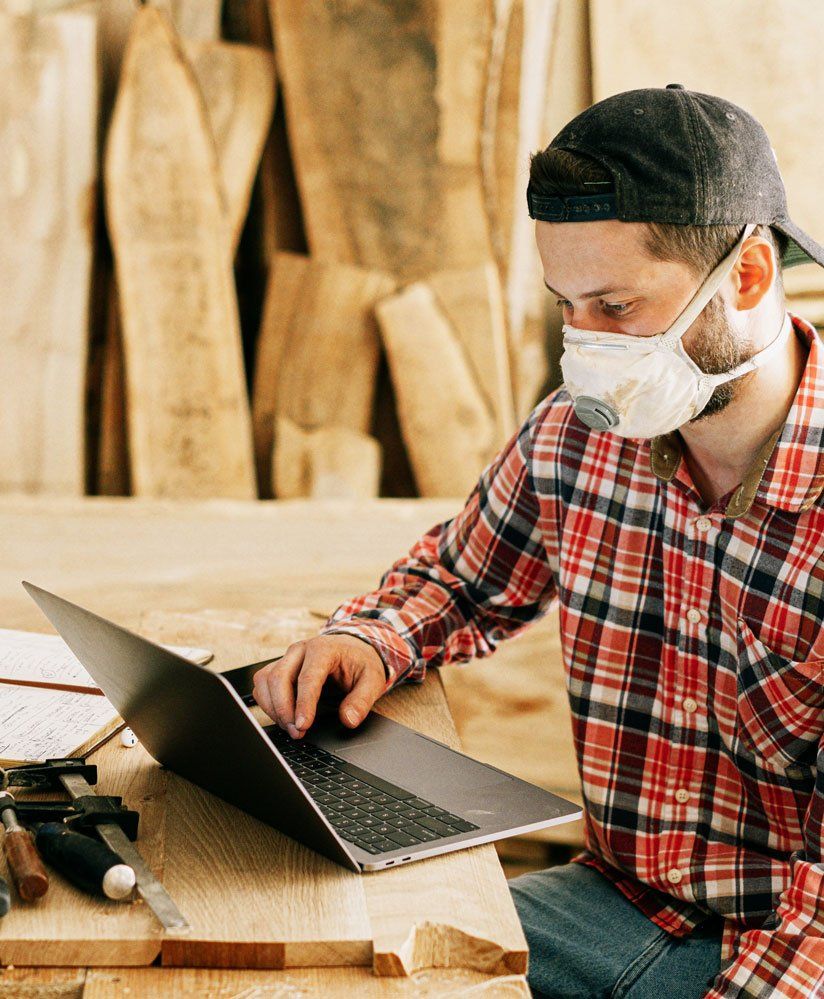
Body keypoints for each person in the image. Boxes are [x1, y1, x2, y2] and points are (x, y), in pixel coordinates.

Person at [252, 84, 824, 998]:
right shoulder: (579, 435)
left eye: (617, 306)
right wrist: (367, 638)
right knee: (342, 971)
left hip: (780, 946)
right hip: (612, 901)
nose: (585, 346)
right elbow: (461, 581)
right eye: (566, 306)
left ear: (748, 275)